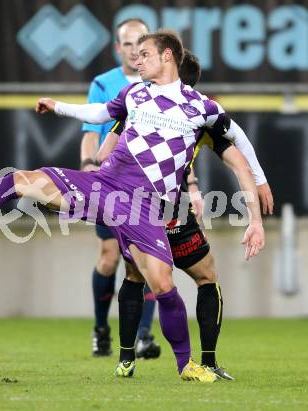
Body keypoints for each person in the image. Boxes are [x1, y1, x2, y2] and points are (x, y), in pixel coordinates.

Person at [0, 30, 265, 382]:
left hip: (145, 206)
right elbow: (99, 114)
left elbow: (238, 157)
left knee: (163, 284)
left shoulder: (203, 108)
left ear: (167, 56)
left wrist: (255, 219)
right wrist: (58, 106)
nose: (137, 62)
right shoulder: (135, 93)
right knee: (23, 180)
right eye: (135, 56)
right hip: (104, 186)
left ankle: (187, 366)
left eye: (145, 55)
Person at [97, 50, 274, 380]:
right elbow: (239, 160)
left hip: (135, 206)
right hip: (173, 210)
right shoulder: (199, 116)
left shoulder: (139, 110)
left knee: (135, 276)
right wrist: (255, 209)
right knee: (206, 277)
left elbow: (103, 154)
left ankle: (125, 359)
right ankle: (207, 361)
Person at [80, 18, 160, 359]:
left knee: (148, 260)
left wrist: (191, 182)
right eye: (127, 43)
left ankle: (143, 336)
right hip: (112, 183)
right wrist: (87, 166)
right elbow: (90, 130)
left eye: (140, 42)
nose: (133, 49)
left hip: (150, 184)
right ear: (118, 48)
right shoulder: (104, 83)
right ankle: (101, 329)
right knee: (110, 258)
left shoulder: (163, 83)